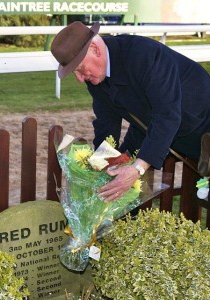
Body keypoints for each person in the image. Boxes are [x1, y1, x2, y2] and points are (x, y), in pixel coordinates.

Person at [50, 21, 210, 202]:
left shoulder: (144, 55)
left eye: (79, 69)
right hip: (155, 129)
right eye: (74, 73)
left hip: (202, 126)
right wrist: (100, 166)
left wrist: (137, 168)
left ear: (95, 49)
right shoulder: (95, 77)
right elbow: (106, 123)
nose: (80, 79)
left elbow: (167, 114)